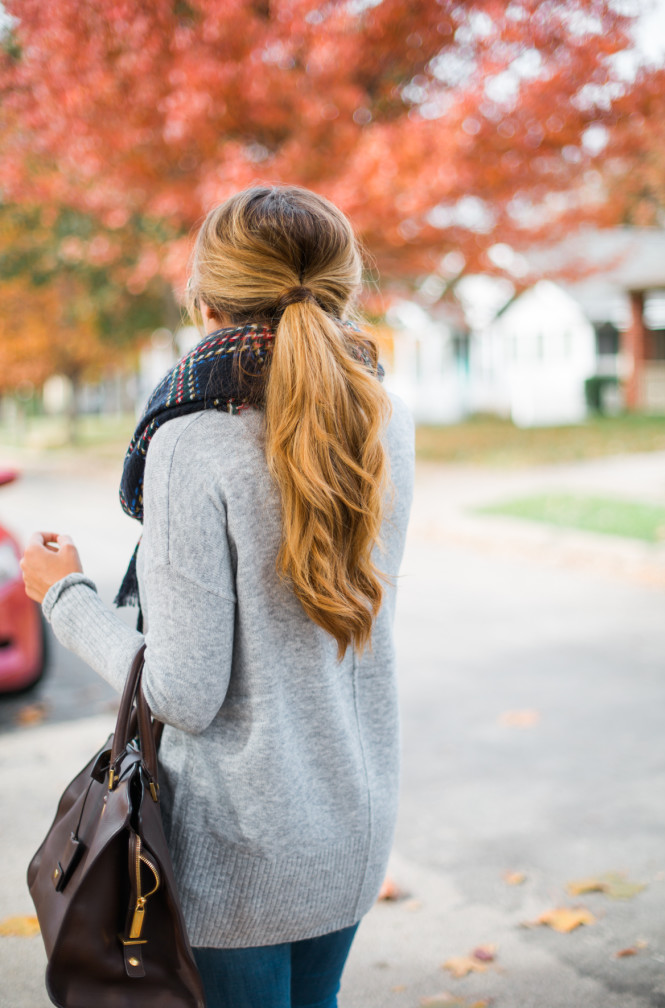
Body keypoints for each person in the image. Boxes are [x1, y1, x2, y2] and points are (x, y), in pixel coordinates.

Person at [20, 184, 415, 1008]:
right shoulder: (384, 413)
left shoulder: (192, 438)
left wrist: (67, 597)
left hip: (239, 854)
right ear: (340, 288)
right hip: (352, 822)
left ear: (204, 302)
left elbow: (182, 694)